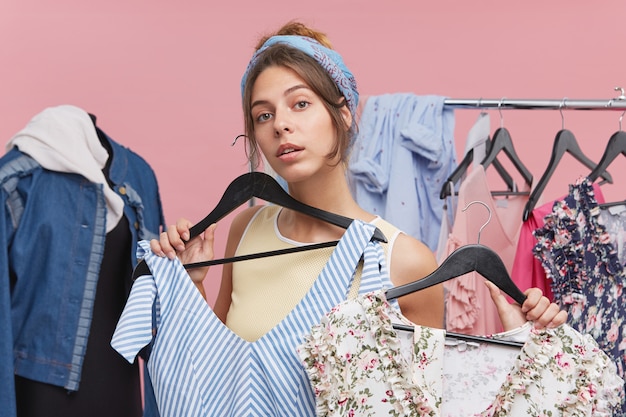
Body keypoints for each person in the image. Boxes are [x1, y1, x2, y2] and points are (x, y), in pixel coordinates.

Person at [147, 20, 567, 414]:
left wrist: (524, 348)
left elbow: (427, 403)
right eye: (264, 114)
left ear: (343, 113)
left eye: (300, 103)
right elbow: (217, 373)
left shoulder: (404, 260)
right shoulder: (245, 228)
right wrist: (193, 286)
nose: (281, 126)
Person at [0, 105, 165, 417]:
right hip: (39, 391)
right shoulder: (17, 179)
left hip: (121, 386)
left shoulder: (138, 176)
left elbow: (157, 302)